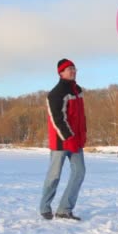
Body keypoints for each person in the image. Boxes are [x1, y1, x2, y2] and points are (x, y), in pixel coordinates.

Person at [39, 58, 87, 221]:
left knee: (79, 172)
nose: (73, 71)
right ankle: (45, 206)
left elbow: (80, 117)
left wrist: (82, 134)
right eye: (69, 69)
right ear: (61, 73)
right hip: (60, 142)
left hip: (76, 141)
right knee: (54, 176)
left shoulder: (77, 90)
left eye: (74, 68)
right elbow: (57, 119)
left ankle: (64, 209)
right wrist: (69, 137)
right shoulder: (56, 93)